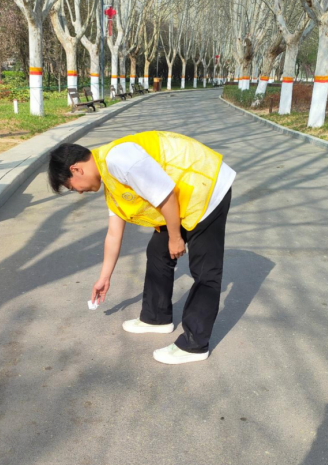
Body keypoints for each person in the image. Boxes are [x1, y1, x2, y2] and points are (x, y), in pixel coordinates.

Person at [48, 131, 236, 365]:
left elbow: (166, 195)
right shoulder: (110, 181)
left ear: (76, 169)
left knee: (205, 271)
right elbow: (113, 234)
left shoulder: (119, 160)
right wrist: (104, 277)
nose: (78, 191)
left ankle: (194, 344)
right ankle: (156, 317)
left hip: (206, 187)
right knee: (158, 251)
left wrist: (175, 237)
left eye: (71, 186)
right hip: (183, 195)